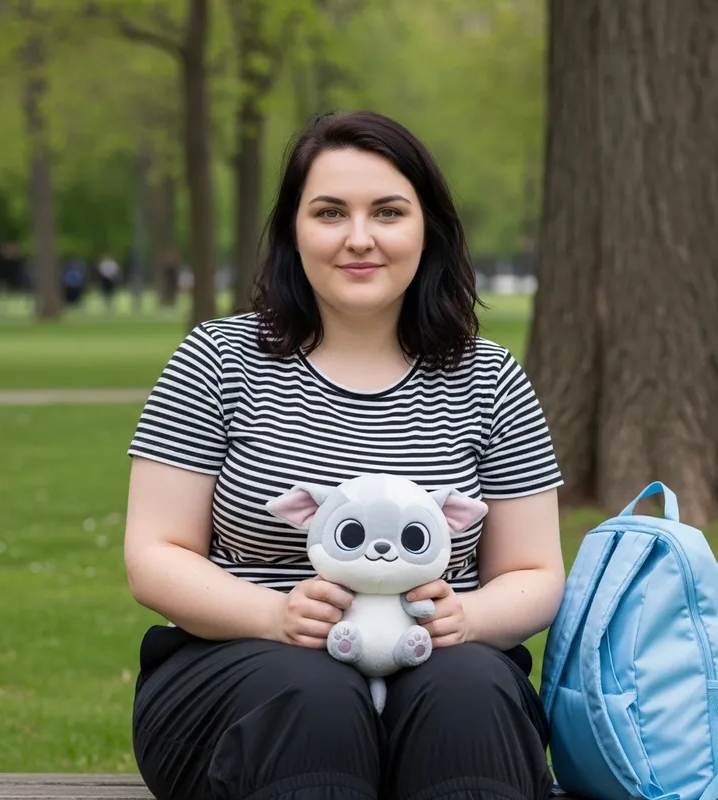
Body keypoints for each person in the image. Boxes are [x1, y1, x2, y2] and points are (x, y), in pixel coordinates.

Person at [124, 110, 565, 800]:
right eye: (330, 212)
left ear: (429, 230)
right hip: (243, 671)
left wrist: (468, 620)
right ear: (293, 231)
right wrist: (275, 617)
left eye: (388, 212)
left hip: (441, 672)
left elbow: (535, 571)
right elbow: (154, 555)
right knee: (317, 696)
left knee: (471, 694)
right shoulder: (217, 360)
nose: (359, 238)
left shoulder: (490, 377)